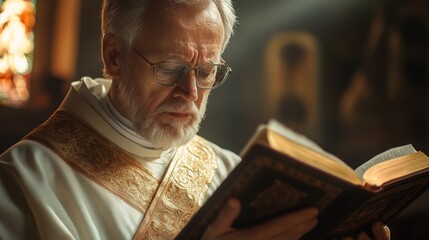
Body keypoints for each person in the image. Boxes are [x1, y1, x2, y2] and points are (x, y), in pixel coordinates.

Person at [0, 0, 391, 239]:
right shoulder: (27, 178)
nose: (190, 92)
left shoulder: (232, 171)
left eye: (206, 72)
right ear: (113, 56)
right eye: (170, 68)